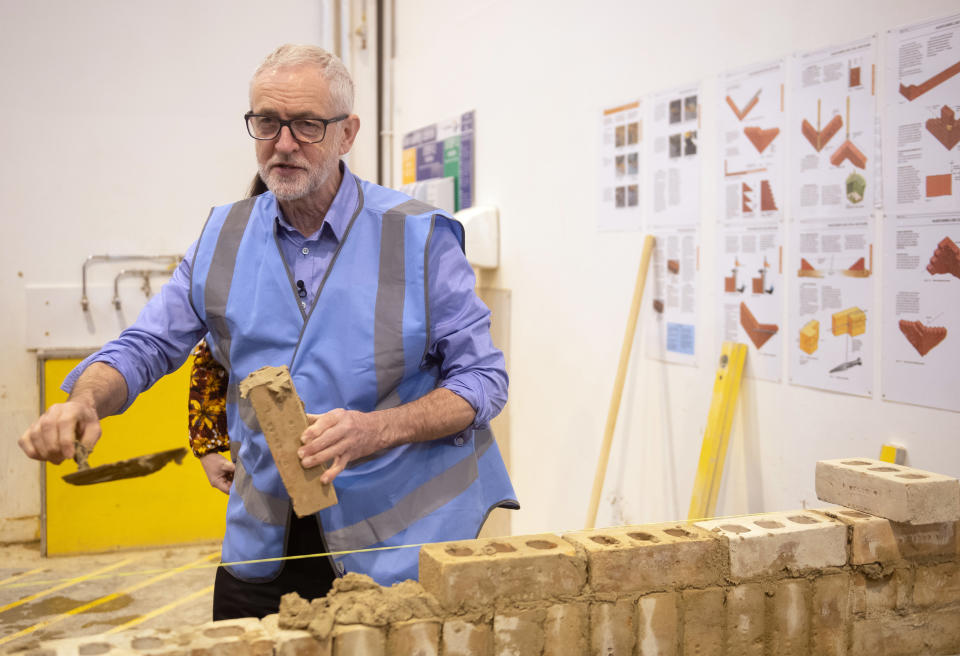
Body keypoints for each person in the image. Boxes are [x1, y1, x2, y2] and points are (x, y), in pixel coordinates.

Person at [19, 44, 517, 620]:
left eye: (306, 124)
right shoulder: (221, 236)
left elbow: (484, 380)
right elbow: (148, 345)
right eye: (266, 122)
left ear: (348, 132)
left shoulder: (420, 237)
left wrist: (377, 429)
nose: (283, 144)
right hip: (265, 537)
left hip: (397, 545)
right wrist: (84, 401)